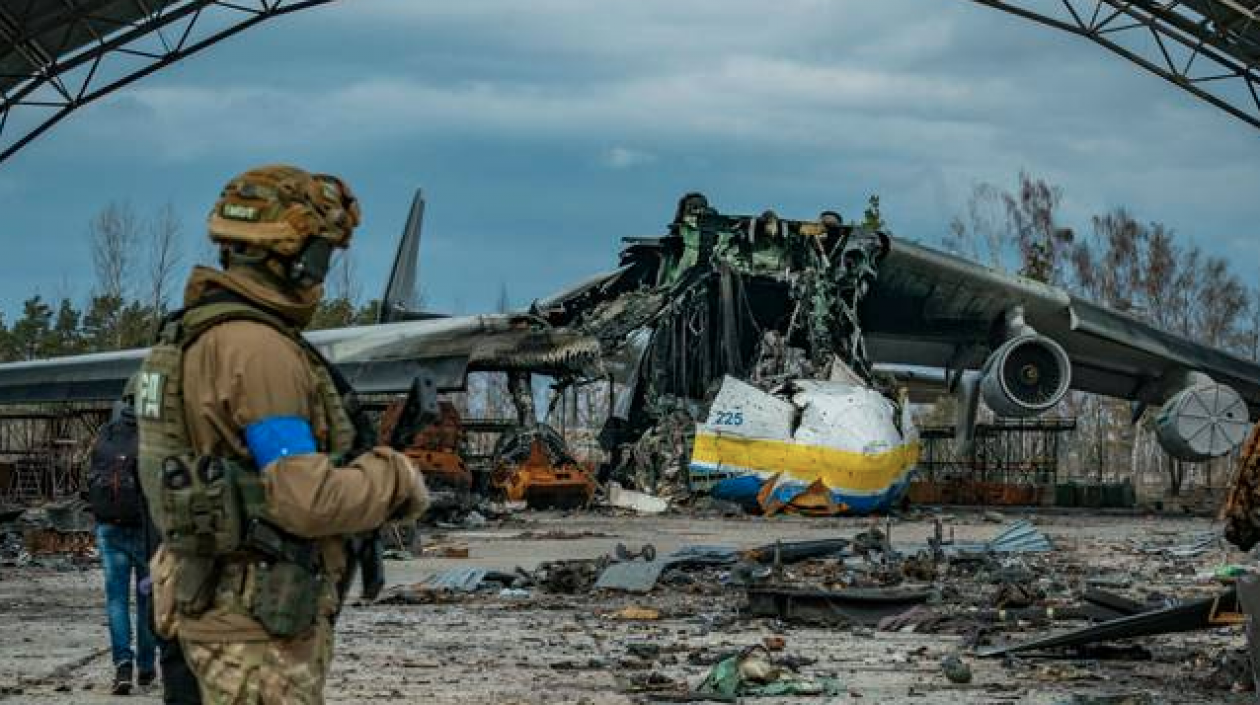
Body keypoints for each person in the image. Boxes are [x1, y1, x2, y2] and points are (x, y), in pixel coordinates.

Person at [135, 164, 428, 704]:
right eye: (323, 255)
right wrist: (394, 479)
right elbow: (303, 498)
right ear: (298, 257)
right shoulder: (257, 350)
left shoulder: (189, 336)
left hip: (211, 610)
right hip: (254, 635)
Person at [87, 379, 155, 694]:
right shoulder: (153, 436)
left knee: (116, 600)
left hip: (108, 529)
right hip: (144, 531)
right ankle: (146, 666)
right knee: (146, 598)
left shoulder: (105, 435)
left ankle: (122, 666)